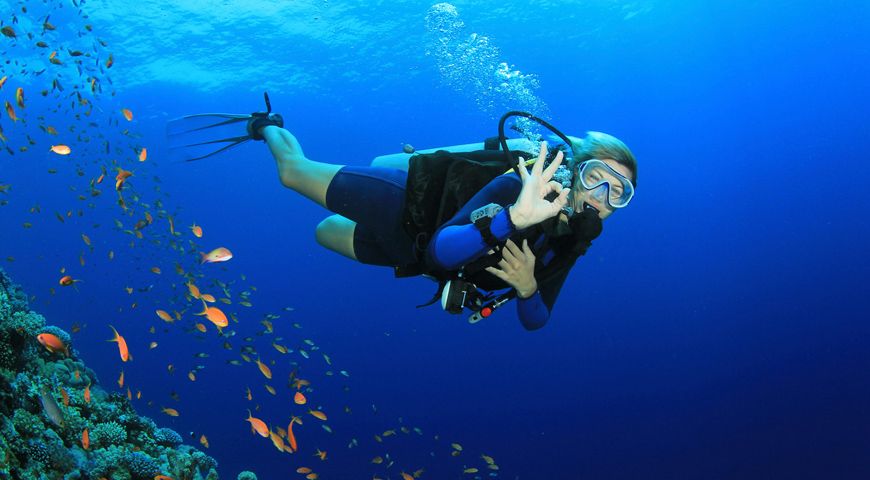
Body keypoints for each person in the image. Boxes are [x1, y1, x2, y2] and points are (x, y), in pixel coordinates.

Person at [247, 114, 637, 330]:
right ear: (574, 171)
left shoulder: (569, 242)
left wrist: (528, 286)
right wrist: (514, 217)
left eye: (618, 192)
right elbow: (442, 248)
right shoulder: (524, 181)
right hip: (410, 205)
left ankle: (354, 195)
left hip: (410, 251)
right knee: (293, 174)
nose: (601, 196)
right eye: (595, 178)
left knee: (323, 232)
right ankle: (267, 125)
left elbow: (537, 320)